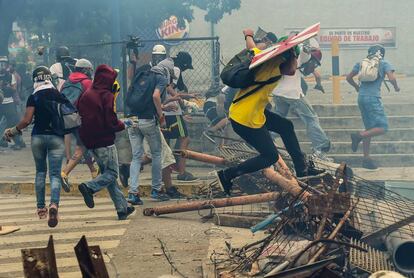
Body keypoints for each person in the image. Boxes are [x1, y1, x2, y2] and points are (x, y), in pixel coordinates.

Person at [217, 29, 324, 195]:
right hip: (245, 119)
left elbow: (252, 47)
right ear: (288, 58)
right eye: (294, 57)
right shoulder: (275, 67)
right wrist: (292, 53)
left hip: (249, 111)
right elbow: (292, 70)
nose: (296, 61)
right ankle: (227, 175)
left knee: (286, 126)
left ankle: (302, 171)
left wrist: (248, 35)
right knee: (270, 156)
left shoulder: (263, 57)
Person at [3, 66, 66, 227]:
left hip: (38, 137)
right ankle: (54, 205)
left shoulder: (34, 96)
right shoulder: (58, 95)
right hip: (57, 138)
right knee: (54, 175)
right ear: (49, 78)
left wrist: (13, 131)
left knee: (40, 172)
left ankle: (41, 208)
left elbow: (26, 120)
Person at [76, 64, 134, 220]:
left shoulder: (87, 94)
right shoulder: (106, 95)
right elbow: (110, 121)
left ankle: (122, 209)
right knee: (112, 173)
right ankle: (89, 187)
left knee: (108, 176)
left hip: (91, 142)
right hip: (105, 141)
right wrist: (123, 124)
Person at [272, 39, 332, 162]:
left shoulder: (285, 52)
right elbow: (306, 53)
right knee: (311, 118)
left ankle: (268, 139)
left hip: (277, 92)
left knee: (278, 118)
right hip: (293, 93)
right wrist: (307, 46)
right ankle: (320, 149)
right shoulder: (303, 53)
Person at [126, 58, 174, 204]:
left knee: (136, 157)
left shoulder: (141, 74)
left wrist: (161, 108)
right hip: (148, 120)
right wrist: (161, 116)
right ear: (167, 72)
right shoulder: (160, 78)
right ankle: (156, 190)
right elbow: (155, 96)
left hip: (132, 119)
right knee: (157, 154)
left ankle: (133, 193)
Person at [346, 44, 400, 169]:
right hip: (373, 99)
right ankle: (358, 136)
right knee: (383, 127)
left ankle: (366, 159)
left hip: (361, 98)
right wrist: (396, 87)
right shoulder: (384, 63)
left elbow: (348, 78)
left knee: (369, 128)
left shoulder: (361, 63)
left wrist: (356, 87)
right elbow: (392, 78)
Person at [60, 59, 99, 191]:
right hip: (82, 119)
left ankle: (94, 172)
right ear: (86, 70)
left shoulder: (66, 82)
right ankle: (64, 173)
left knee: (84, 145)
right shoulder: (87, 83)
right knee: (82, 147)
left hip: (67, 119)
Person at [163, 51, 198, 182]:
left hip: (163, 110)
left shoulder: (166, 68)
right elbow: (169, 88)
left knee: (165, 143)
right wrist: (182, 102)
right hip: (172, 111)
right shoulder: (176, 69)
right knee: (184, 139)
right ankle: (181, 171)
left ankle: (165, 173)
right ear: (183, 64)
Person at [0, 67, 26, 150]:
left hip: (9, 103)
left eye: (3, 64)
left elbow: (14, 89)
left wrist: (7, 87)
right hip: (5, 103)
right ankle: (7, 141)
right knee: (8, 124)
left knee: (13, 124)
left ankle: (18, 142)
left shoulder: (11, 76)